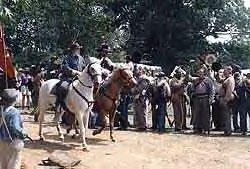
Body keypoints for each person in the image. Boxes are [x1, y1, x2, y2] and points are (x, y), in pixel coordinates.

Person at [0, 89, 28, 169]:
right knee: (14, 165)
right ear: (14, 100)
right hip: (13, 142)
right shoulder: (14, 112)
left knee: (3, 165)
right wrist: (24, 134)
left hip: (1, 141)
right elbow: (15, 128)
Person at [191, 67, 214, 134]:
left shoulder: (208, 80)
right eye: (199, 73)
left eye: (201, 72)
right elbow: (192, 88)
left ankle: (206, 128)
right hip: (197, 98)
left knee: (206, 114)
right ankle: (197, 128)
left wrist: (211, 99)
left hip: (205, 98)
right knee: (197, 113)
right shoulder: (196, 80)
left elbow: (211, 90)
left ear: (204, 73)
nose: (200, 74)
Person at [218, 66, 235, 136]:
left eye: (225, 71)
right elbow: (219, 79)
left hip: (226, 99)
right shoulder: (226, 79)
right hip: (223, 98)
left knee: (227, 115)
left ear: (229, 71)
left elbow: (229, 91)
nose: (224, 72)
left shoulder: (230, 79)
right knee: (225, 115)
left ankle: (228, 131)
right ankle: (226, 130)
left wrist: (226, 100)